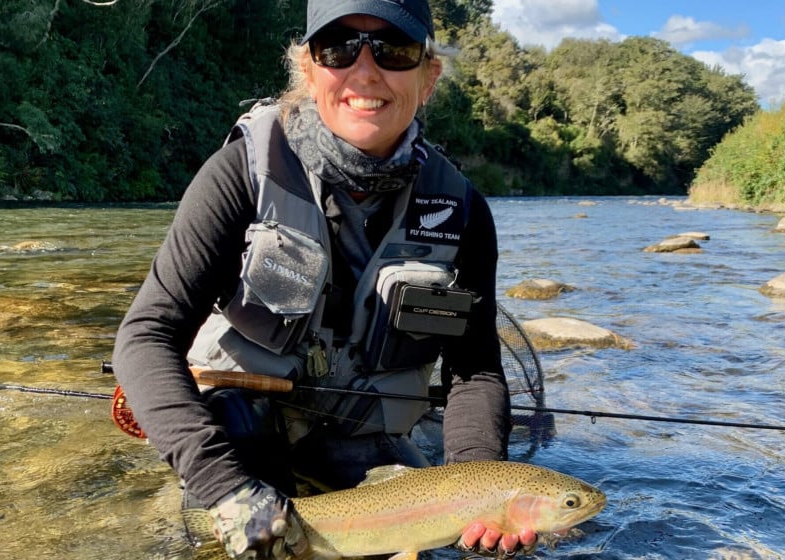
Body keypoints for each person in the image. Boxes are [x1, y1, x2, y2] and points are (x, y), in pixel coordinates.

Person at [112, 0, 538, 557]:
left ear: (429, 76)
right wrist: (226, 489)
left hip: (366, 443)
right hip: (241, 437)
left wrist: (478, 489)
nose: (365, 71)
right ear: (309, 71)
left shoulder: (461, 211)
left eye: (394, 49)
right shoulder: (238, 177)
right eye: (337, 48)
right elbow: (147, 333)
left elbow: (475, 372)